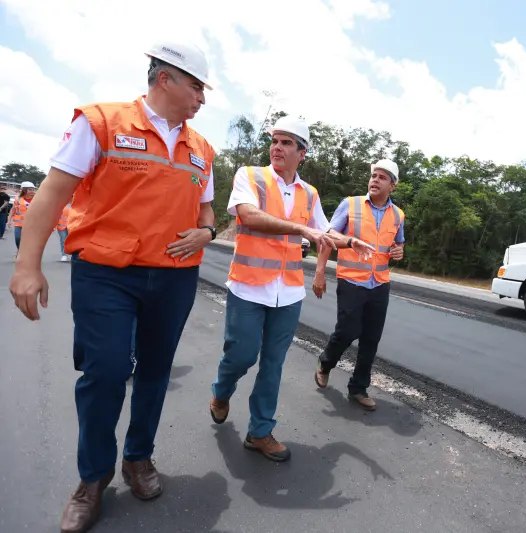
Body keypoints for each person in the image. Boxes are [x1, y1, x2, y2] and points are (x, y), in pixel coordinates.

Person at [9, 40, 217, 533]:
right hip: (106, 274)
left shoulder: (202, 148)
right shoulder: (100, 123)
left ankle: (138, 458)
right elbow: (54, 192)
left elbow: (207, 209)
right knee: (104, 373)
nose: (202, 99)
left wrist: (206, 230)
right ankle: (93, 478)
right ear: (164, 78)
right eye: (196, 86)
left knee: (155, 371)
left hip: (173, 277)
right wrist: (26, 265)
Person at [208, 116, 373, 462]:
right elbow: (249, 217)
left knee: (273, 363)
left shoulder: (309, 193)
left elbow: (325, 232)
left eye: (286, 143)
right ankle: (221, 393)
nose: (277, 147)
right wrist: (304, 230)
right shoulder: (250, 176)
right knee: (240, 356)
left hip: (288, 294)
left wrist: (351, 240)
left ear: (302, 153)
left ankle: (260, 431)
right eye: (275, 141)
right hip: (249, 288)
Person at [313, 159, 406, 411]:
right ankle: (326, 362)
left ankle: (358, 388)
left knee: (371, 338)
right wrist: (320, 272)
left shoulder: (398, 215)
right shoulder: (351, 204)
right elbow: (328, 237)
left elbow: (398, 246)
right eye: (374, 175)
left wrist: (398, 252)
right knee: (348, 329)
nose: (375, 179)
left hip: (380, 284)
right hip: (352, 280)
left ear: (392, 186)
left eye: (382, 177)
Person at [11, 182, 36, 251]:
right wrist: (9, 220)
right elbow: (13, 209)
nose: (32, 191)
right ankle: (20, 251)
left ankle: (25, 254)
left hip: (31, 224)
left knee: (29, 240)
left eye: (33, 189)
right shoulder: (18, 199)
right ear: (24, 190)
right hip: (18, 223)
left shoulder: (37, 199)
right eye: (30, 189)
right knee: (18, 238)